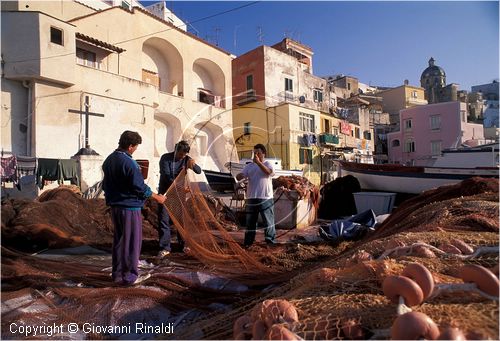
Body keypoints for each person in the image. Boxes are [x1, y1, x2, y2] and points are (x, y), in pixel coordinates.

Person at [102, 130, 166, 286]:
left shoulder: (109, 160)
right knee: (131, 243)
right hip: (129, 208)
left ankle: (117, 275)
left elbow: (105, 185)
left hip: (115, 207)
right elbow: (139, 187)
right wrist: (157, 197)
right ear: (130, 146)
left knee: (119, 241)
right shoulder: (129, 163)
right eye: (136, 146)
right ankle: (130, 277)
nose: (136, 149)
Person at [157, 140, 201, 257]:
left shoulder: (186, 159)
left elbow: (198, 171)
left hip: (179, 196)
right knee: (164, 220)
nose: (182, 157)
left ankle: (183, 245)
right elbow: (167, 176)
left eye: (185, 155)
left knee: (181, 221)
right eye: (181, 154)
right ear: (176, 150)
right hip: (165, 194)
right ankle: (165, 247)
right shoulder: (165, 158)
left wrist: (193, 164)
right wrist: (181, 187)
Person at [236, 144, 276, 247]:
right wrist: (240, 176)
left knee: (268, 221)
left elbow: (269, 172)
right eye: (254, 153)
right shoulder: (249, 166)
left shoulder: (268, 163)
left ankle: (270, 241)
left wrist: (258, 163)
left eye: (258, 152)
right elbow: (240, 176)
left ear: (263, 153)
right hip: (251, 198)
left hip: (265, 197)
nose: (256, 155)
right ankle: (248, 242)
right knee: (250, 222)